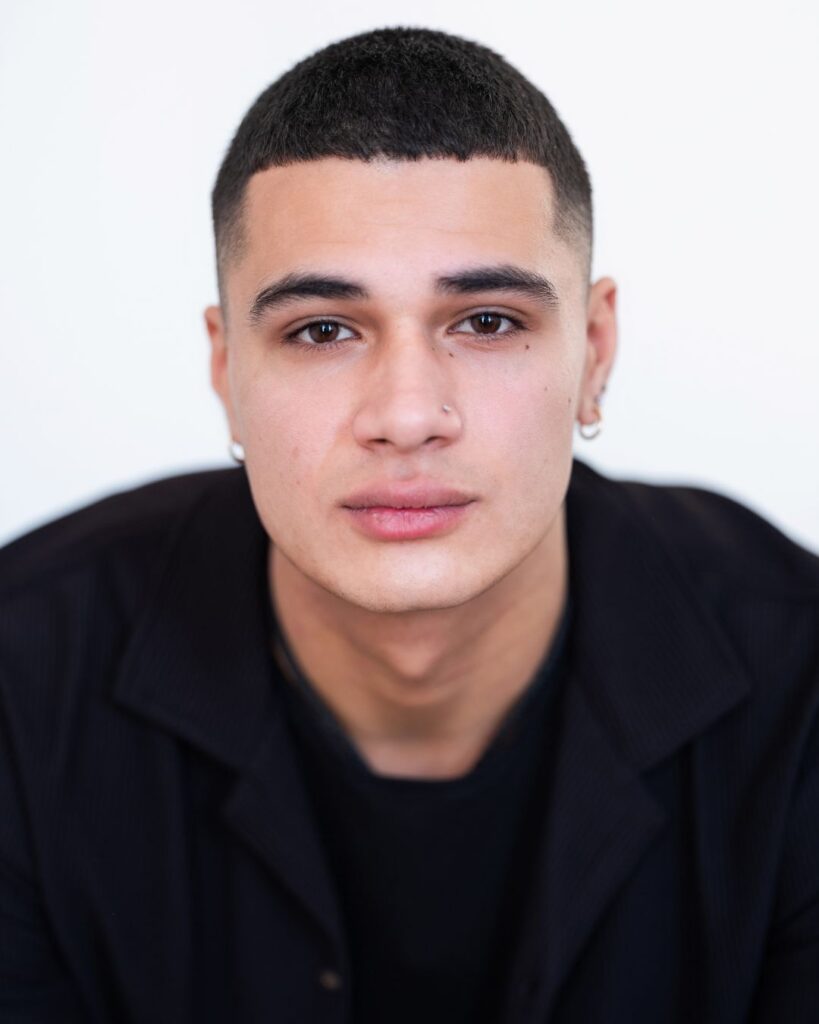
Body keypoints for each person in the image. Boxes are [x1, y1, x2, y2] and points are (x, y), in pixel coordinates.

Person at [0, 24, 817, 1024]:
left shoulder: (798, 682)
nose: (406, 415)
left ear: (595, 351)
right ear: (225, 367)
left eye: (487, 321)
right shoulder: (23, 678)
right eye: (322, 330)